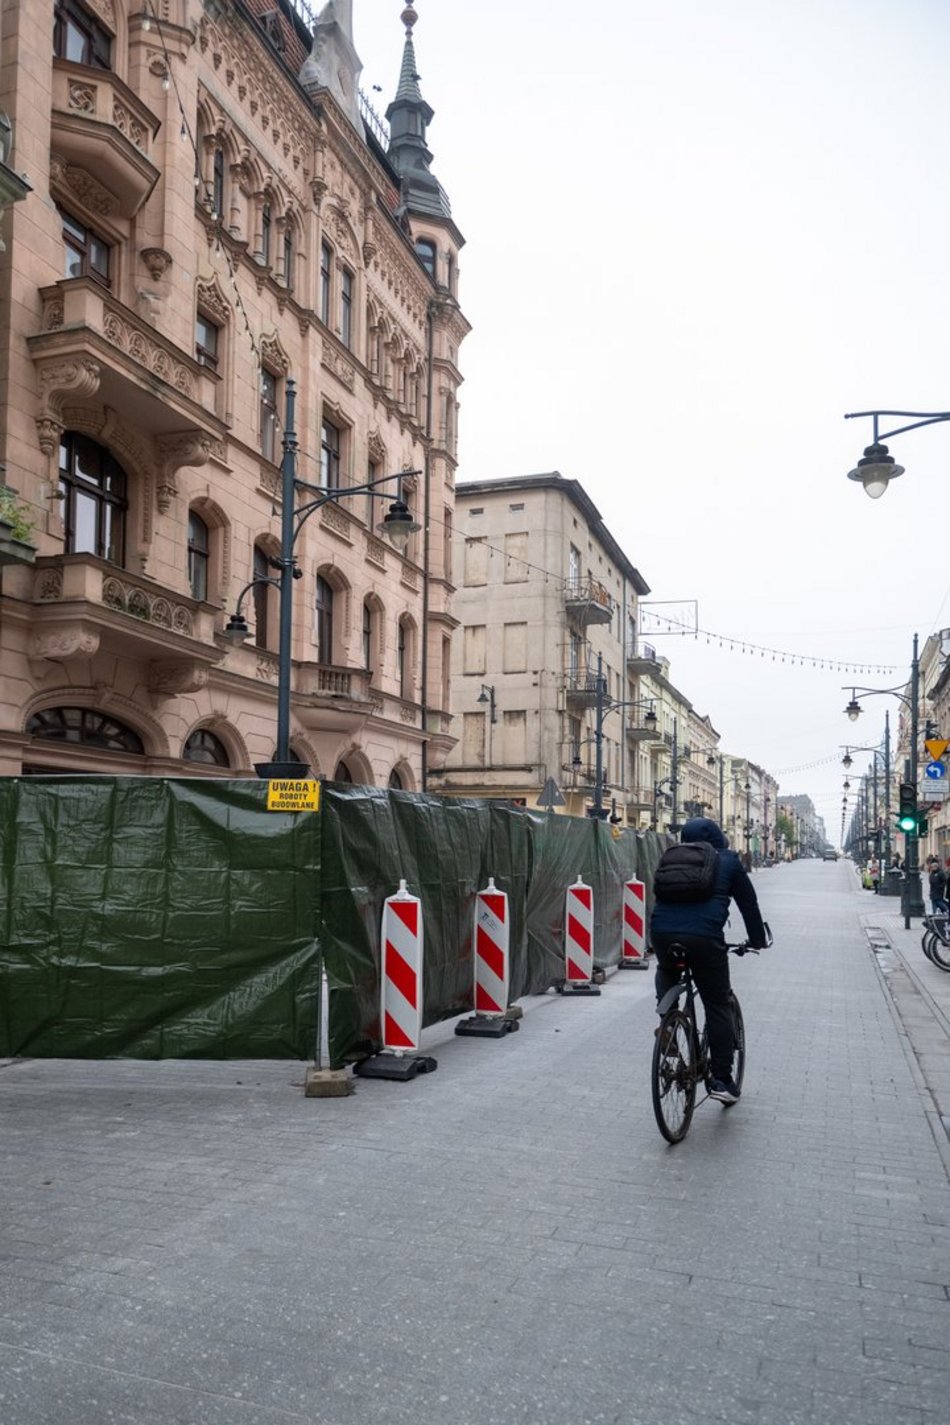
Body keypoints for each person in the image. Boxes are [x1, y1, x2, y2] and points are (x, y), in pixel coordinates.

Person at [650, 817, 768, 1105]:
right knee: (717, 1004)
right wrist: (757, 940)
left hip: (662, 934)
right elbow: (748, 904)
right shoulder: (728, 861)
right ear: (720, 839)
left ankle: (668, 1021)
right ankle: (722, 1080)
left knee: (667, 967)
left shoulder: (671, 858)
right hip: (704, 939)